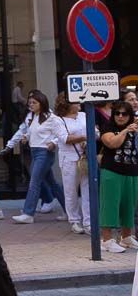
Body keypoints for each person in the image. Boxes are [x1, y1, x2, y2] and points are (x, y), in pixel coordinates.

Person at [3, 90, 66, 224]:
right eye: (29, 103)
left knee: (34, 182)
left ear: (41, 103)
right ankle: (70, 211)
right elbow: (24, 131)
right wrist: (18, 141)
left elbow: (62, 134)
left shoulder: (52, 117)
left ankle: (28, 213)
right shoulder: (31, 117)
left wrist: (53, 143)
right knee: (52, 184)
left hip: (45, 153)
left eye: (34, 102)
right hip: (34, 152)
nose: (31, 105)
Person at [99, 101, 138, 254]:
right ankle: (107, 240)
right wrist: (126, 131)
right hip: (112, 171)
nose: (121, 116)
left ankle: (126, 237)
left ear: (130, 116)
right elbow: (112, 143)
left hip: (132, 171)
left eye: (125, 114)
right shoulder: (108, 128)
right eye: (117, 113)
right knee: (110, 205)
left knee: (129, 206)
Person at [54, 93, 91, 235]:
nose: (79, 103)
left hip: (85, 157)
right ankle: (74, 220)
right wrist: (84, 136)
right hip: (69, 159)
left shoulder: (83, 115)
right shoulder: (58, 120)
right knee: (71, 191)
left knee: (87, 189)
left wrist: (89, 136)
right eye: (76, 101)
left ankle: (88, 221)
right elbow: (64, 138)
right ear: (67, 104)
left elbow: (96, 132)